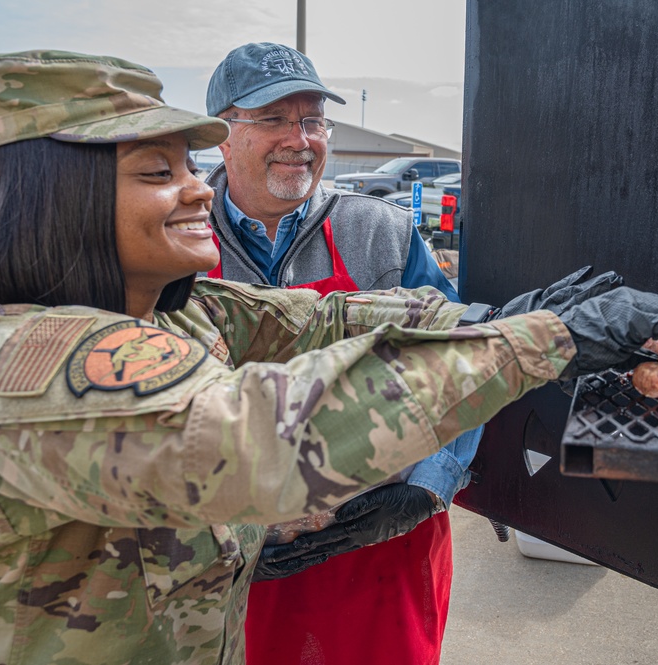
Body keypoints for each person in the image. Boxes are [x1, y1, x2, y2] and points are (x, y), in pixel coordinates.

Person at [0, 49, 658, 664]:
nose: (194, 191)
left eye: (189, 165)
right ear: (50, 201)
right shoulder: (23, 360)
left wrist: (508, 318)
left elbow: (326, 319)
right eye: (160, 172)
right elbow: (259, 437)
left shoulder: (180, 304)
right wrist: (547, 340)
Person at [202, 41, 483, 665]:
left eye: (312, 120)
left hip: (379, 550)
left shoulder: (382, 232)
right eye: (273, 118)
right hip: (231, 562)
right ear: (222, 134)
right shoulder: (179, 236)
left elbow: (461, 363)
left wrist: (429, 488)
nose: (300, 139)